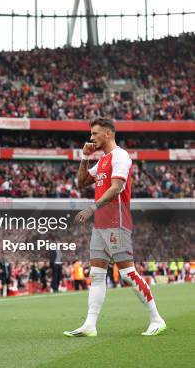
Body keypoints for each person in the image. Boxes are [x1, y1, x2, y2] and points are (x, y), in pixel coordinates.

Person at [64, 117, 166, 338]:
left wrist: (92, 207)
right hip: (101, 224)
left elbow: (117, 188)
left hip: (116, 222)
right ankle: (90, 325)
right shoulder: (101, 161)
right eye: (91, 134)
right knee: (98, 276)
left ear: (108, 134)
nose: (91, 138)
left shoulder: (120, 156)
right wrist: (84, 157)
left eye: (95, 134)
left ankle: (157, 319)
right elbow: (81, 182)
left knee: (128, 273)